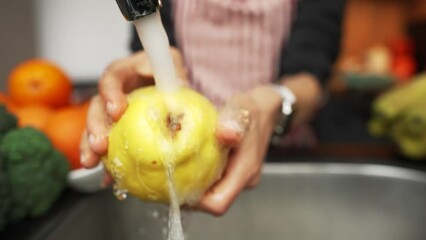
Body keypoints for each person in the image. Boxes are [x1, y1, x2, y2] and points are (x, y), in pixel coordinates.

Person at [80, 0, 347, 216]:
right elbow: (148, 38)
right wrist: (134, 87)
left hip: (286, 159)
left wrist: (277, 102)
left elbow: (312, 71)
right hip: (171, 169)